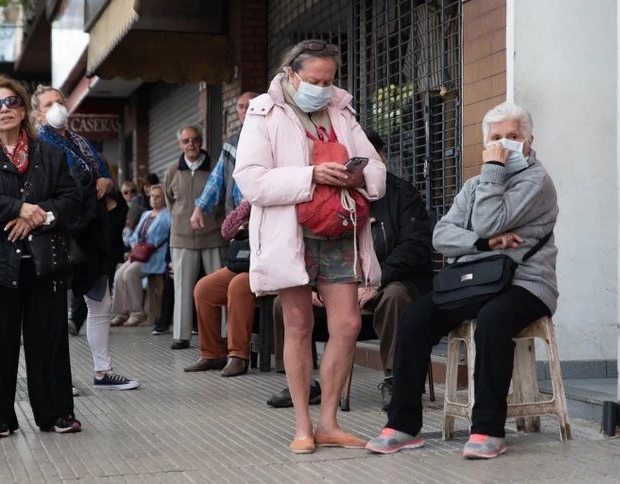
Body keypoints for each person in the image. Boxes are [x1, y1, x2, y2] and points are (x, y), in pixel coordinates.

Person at [366, 102, 559, 460]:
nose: (503, 144)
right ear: (485, 143)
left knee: (493, 318)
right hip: (474, 282)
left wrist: (492, 172)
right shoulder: (475, 185)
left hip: (526, 283)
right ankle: (403, 425)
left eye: (513, 136)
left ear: (529, 141)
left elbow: (487, 220)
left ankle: (487, 430)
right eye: (496, 138)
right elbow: (441, 235)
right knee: (415, 318)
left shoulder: (536, 182)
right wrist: (483, 244)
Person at [233, 39, 386, 454]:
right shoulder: (264, 112)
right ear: (291, 73)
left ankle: (329, 423)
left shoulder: (341, 109)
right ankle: (303, 424)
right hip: (292, 233)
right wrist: (312, 175)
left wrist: (358, 176)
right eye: (315, 80)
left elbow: (376, 167)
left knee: (348, 325)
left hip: (340, 229)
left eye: (328, 79)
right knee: (298, 324)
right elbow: (251, 180)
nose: (322, 88)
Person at [268, 128, 433, 411]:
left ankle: (396, 379)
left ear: (380, 159)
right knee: (285, 303)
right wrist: (310, 285)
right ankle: (303, 381)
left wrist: (377, 280)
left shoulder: (402, 193)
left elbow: (416, 247)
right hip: (336, 283)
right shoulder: (323, 194)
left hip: (387, 284)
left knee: (395, 296)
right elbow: (308, 245)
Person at [0, 75, 82, 436]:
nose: (4, 109)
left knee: (49, 341)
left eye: (11, 102)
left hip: (44, 263)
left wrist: (38, 216)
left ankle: (56, 413)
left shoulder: (50, 155)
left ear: (23, 110)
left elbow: (72, 200)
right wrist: (16, 208)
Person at [32, 85, 139, 391]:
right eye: (49, 104)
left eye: (60, 101)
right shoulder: (39, 146)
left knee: (100, 302)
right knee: (53, 308)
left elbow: (104, 174)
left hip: (92, 232)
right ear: (38, 114)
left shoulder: (80, 141)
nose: (57, 108)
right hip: (60, 232)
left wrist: (106, 182)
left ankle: (103, 371)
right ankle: (54, 380)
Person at [164, 125, 227, 349]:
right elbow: (170, 202)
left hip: (213, 236)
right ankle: (181, 336)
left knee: (220, 287)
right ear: (180, 144)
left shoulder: (215, 167)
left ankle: (224, 333)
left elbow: (223, 199)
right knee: (182, 287)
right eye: (186, 141)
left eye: (195, 139)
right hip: (181, 238)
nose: (191, 144)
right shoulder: (172, 170)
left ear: (201, 141)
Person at [183, 200, 254, 377]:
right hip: (244, 262)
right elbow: (226, 231)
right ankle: (212, 353)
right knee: (204, 288)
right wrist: (246, 206)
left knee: (238, 286)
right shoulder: (251, 199)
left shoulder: (279, 197)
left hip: (270, 265)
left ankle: (238, 355)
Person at [189, 91, 258, 230]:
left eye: (250, 106)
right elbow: (217, 178)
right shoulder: (231, 144)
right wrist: (200, 207)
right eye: (241, 107)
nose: (245, 110)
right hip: (238, 216)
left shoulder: (271, 136)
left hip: (263, 212)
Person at [111, 184, 171, 326]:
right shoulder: (146, 214)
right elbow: (134, 236)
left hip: (155, 256)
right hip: (139, 253)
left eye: (158, 196)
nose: (154, 199)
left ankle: (137, 312)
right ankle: (121, 312)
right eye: (152, 196)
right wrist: (133, 245)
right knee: (119, 274)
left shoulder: (168, 215)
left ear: (164, 198)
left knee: (130, 273)